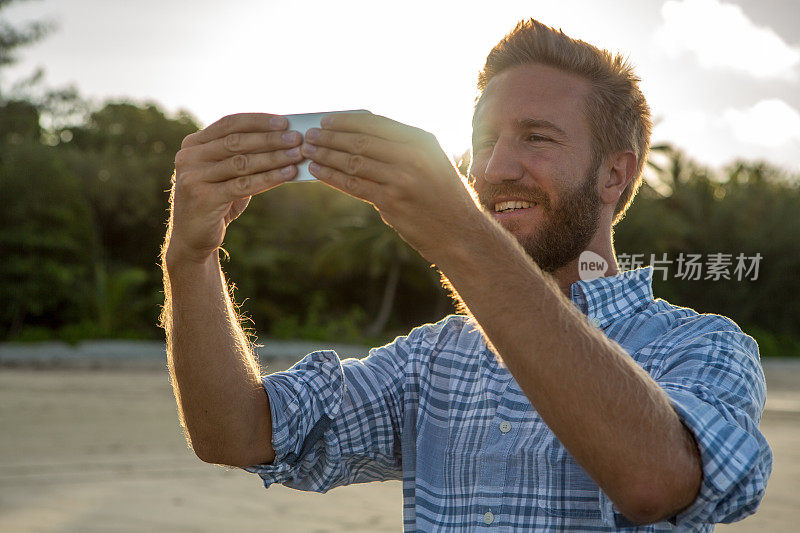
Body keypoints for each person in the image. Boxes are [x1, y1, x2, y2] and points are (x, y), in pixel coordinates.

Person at [161, 19, 772, 531]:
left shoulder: (701, 347)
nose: (496, 166)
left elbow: (655, 481)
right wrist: (189, 258)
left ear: (615, 176)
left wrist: (458, 233)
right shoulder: (432, 360)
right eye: (484, 140)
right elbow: (236, 434)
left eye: (537, 137)